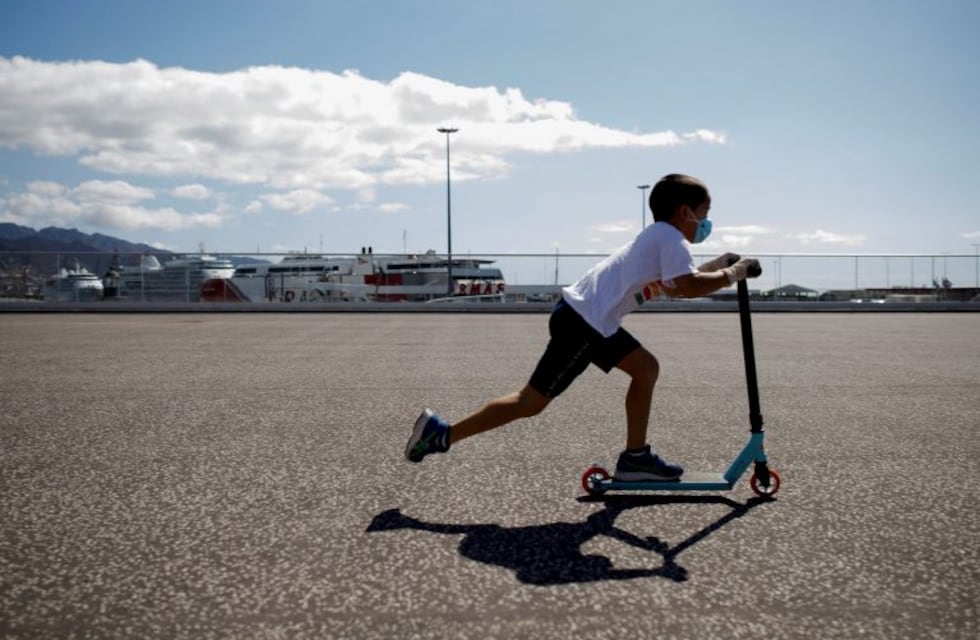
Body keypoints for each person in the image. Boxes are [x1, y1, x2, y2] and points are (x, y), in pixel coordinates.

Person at [405, 173, 760, 481]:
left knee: (645, 368)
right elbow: (689, 286)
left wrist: (720, 266)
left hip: (588, 320)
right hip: (585, 324)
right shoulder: (671, 240)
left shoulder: (659, 237)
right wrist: (733, 273)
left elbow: (677, 285)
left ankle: (636, 457)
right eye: (704, 215)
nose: (705, 223)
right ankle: (440, 435)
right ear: (686, 212)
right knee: (530, 402)